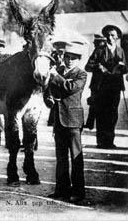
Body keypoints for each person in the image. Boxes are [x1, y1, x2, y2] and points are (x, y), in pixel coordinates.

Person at [47, 41, 87, 203]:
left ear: (78, 60)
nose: (70, 60)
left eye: (74, 58)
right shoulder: (60, 70)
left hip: (73, 120)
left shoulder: (81, 74)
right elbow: (52, 90)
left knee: (76, 156)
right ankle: (61, 189)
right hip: (59, 119)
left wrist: (55, 76)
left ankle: (78, 192)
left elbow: (70, 87)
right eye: (68, 57)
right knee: (61, 157)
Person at [85, 25, 127, 149]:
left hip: (115, 87)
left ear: (117, 37)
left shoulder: (120, 51)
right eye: (108, 35)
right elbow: (88, 66)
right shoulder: (99, 50)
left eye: (113, 35)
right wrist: (98, 66)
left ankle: (109, 141)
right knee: (100, 113)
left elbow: (125, 69)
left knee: (112, 114)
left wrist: (121, 67)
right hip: (100, 87)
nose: (110, 38)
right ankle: (101, 141)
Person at [84, 34, 107, 129]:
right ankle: (91, 123)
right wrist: (97, 66)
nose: (95, 44)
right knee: (94, 104)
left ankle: (94, 124)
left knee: (99, 105)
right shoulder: (96, 51)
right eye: (95, 42)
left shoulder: (101, 50)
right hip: (96, 84)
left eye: (97, 42)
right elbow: (88, 67)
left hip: (104, 84)